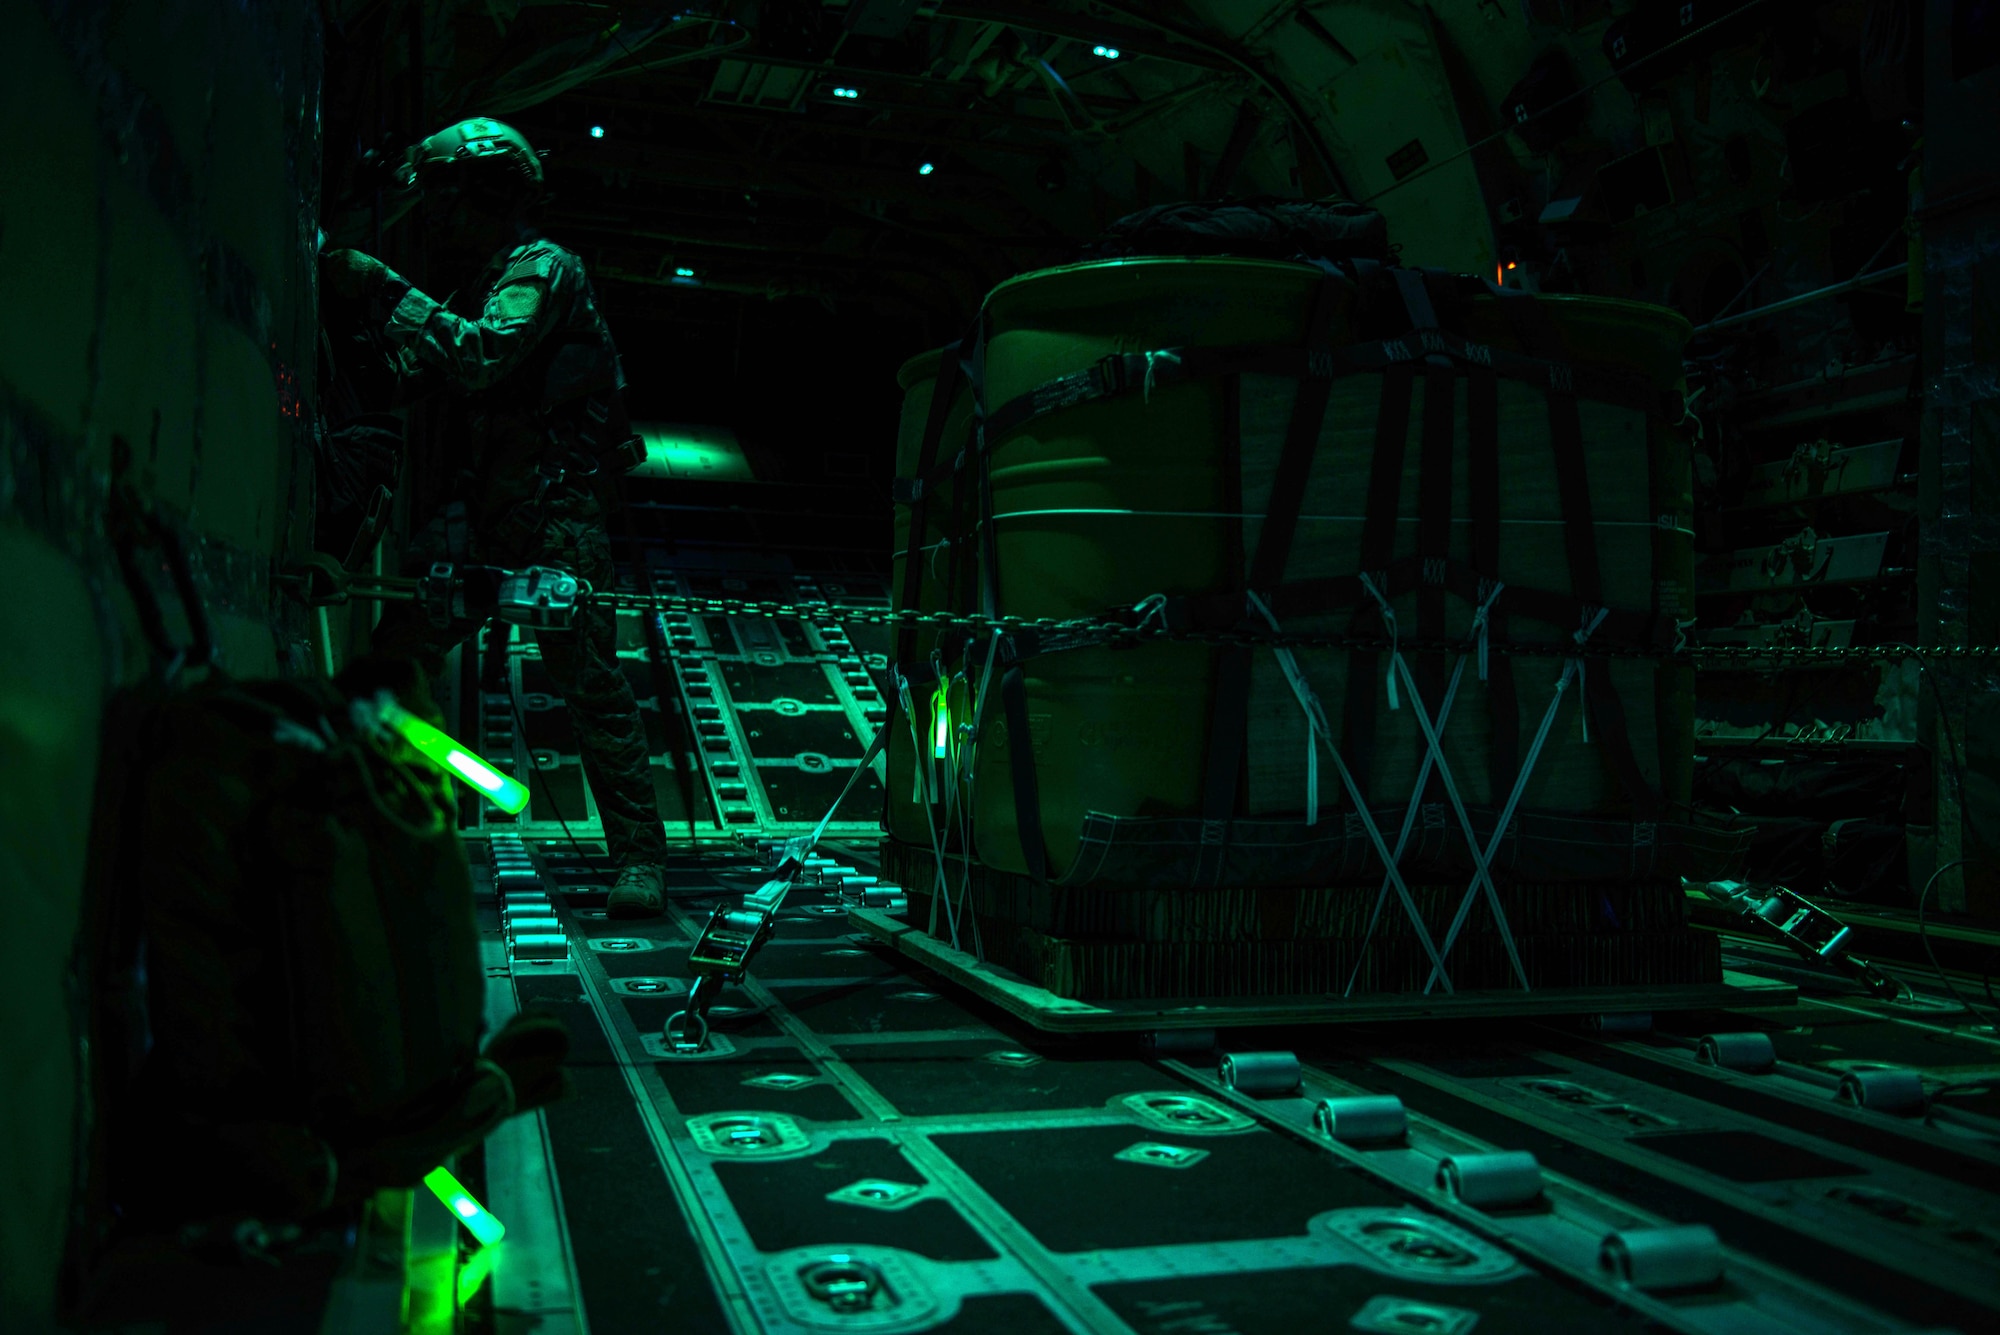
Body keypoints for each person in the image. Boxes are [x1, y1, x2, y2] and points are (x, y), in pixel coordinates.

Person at [321, 117, 669, 918]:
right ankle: (379, 816)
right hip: (486, 511)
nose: (434, 216)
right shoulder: (482, 279)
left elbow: (480, 357)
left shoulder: (541, 270)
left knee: (591, 687)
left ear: (482, 193)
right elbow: (412, 374)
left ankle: (640, 858)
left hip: (556, 517)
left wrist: (377, 287)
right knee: (391, 664)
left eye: (443, 197)